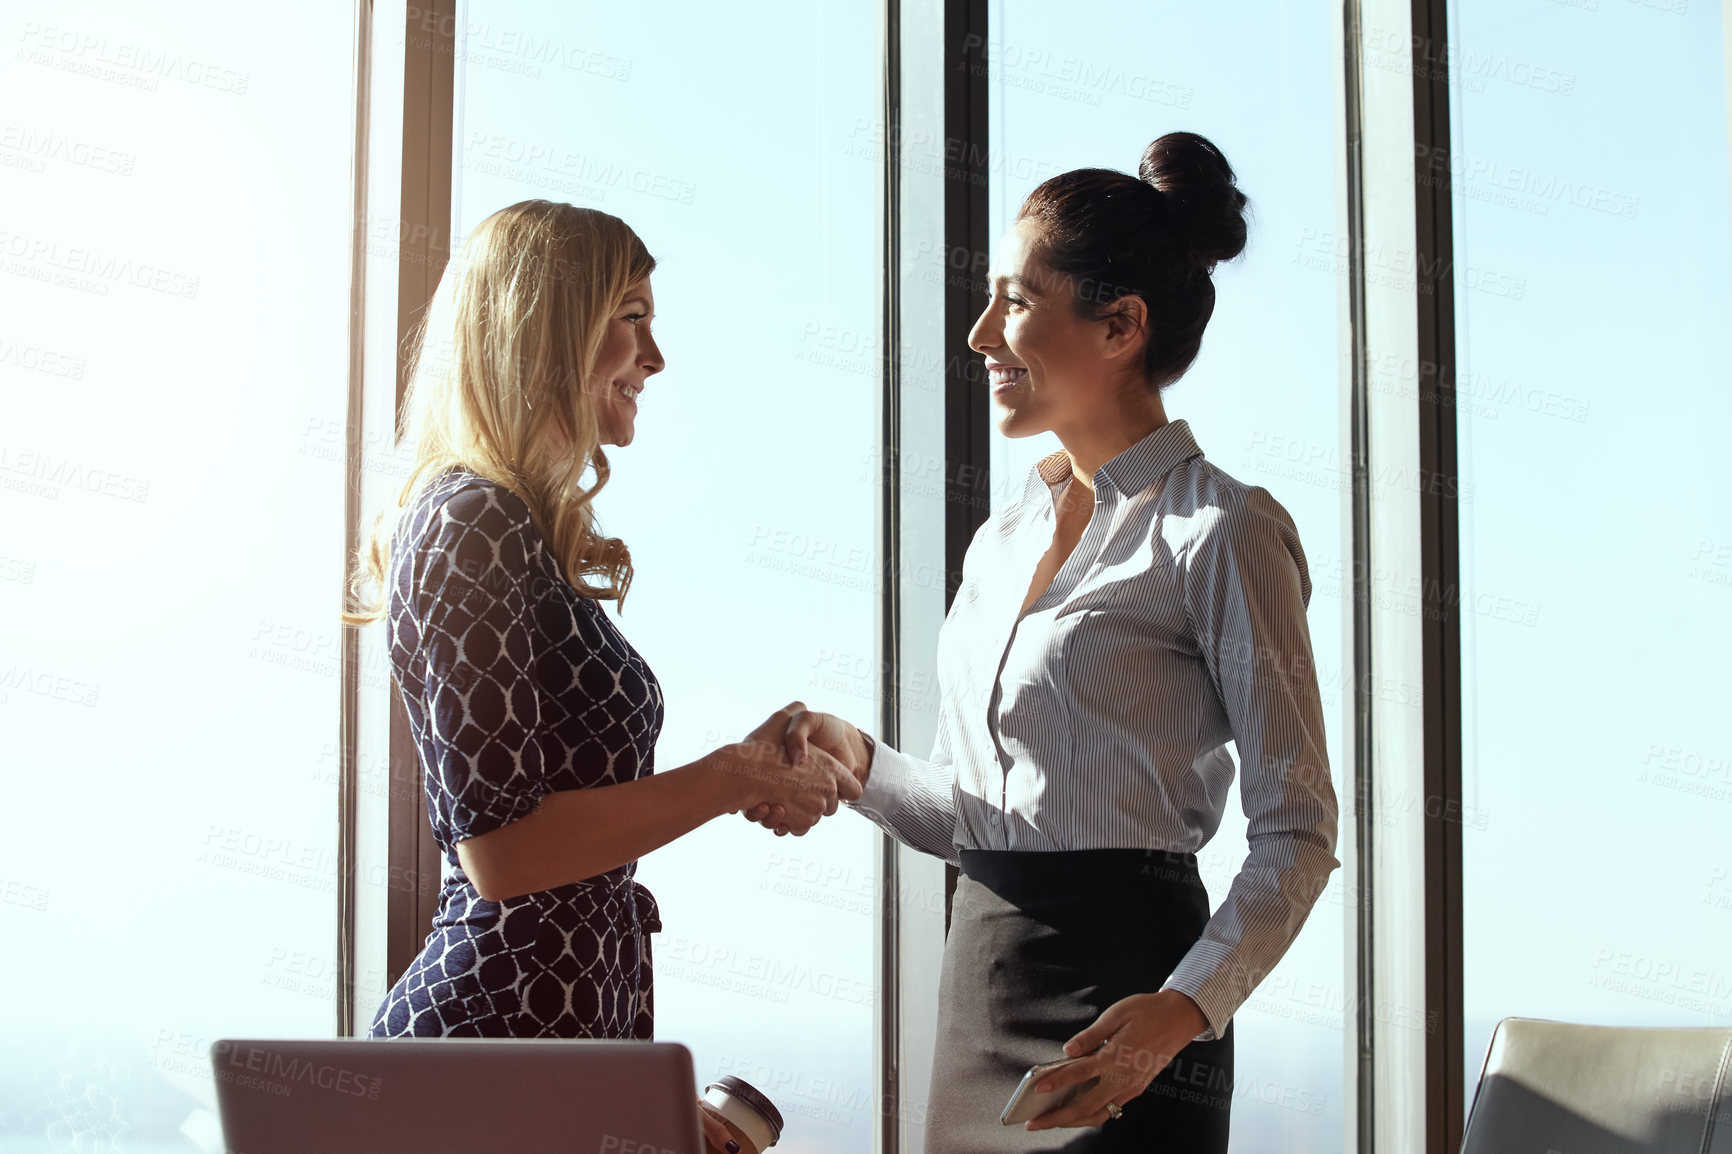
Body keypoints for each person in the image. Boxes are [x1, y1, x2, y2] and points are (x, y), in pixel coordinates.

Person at [757, 132, 1341, 1151]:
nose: (981, 332)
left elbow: (1299, 826)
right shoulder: (1002, 539)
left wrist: (1183, 1010)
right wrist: (860, 760)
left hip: (1135, 1007)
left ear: (1119, 325)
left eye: (1016, 301)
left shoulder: (1223, 531)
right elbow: (985, 812)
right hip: (978, 977)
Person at [342, 200, 858, 1151]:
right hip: (487, 1056)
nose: (654, 359)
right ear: (548, 326)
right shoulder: (467, 522)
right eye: (631, 318)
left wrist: (637, 1100)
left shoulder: (518, 537)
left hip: (558, 1057)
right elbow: (500, 856)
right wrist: (733, 777)